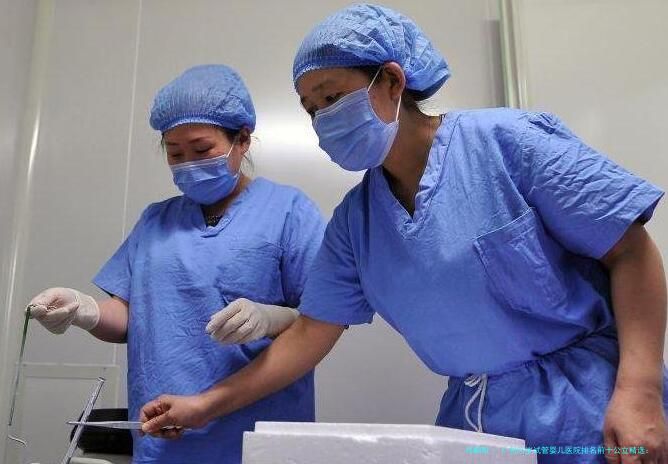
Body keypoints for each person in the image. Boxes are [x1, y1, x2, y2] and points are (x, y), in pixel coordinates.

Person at [140, 5, 668, 463]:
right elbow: (307, 336)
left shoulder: (506, 143)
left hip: (592, 411)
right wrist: (205, 405)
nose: (322, 118)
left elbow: (631, 250)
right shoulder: (357, 222)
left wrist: (639, 391)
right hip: (476, 426)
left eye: (332, 96)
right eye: (311, 109)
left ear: (392, 81)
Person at [27, 64, 325, 464]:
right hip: (165, 439)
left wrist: (272, 318)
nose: (188, 163)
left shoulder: (289, 212)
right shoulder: (155, 221)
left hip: (259, 440)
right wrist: (84, 309)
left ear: (242, 140)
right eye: (175, 153)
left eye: (201, 150)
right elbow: (134, 316)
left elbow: (320, 322)